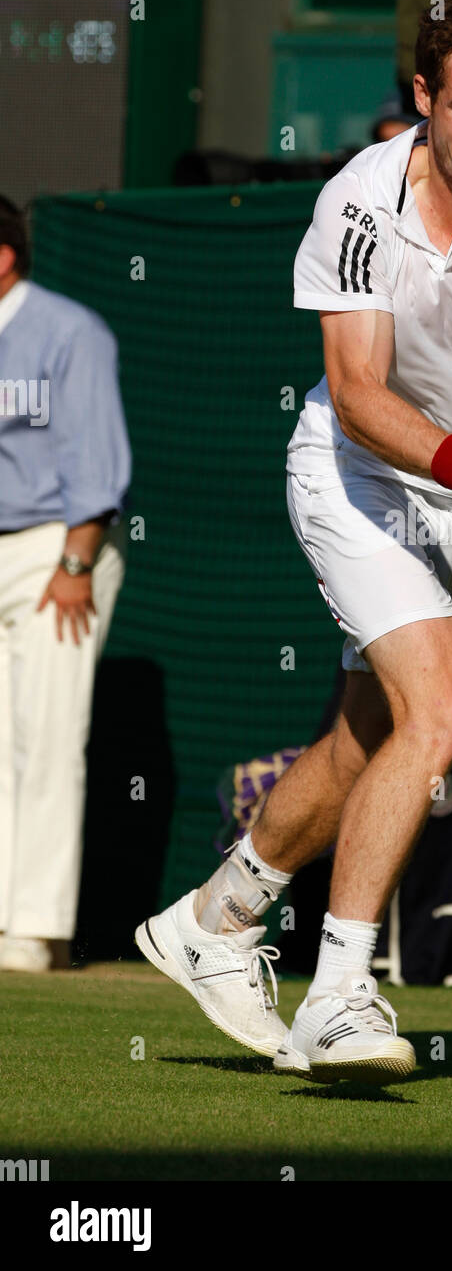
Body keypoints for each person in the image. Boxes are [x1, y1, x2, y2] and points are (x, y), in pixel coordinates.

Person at [136, 0, 452, 1082]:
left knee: (372, 738)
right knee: (447, 702)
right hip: (352, 474)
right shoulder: (355, 203)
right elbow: (357, 393)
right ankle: (340, 990)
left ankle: (215, 918)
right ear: (421, 94)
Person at [0, 196, 130, 972]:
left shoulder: (69, 330)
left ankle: (34, 932)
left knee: (47, 743)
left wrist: (77, 562)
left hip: (56, 551)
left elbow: (96, 459)